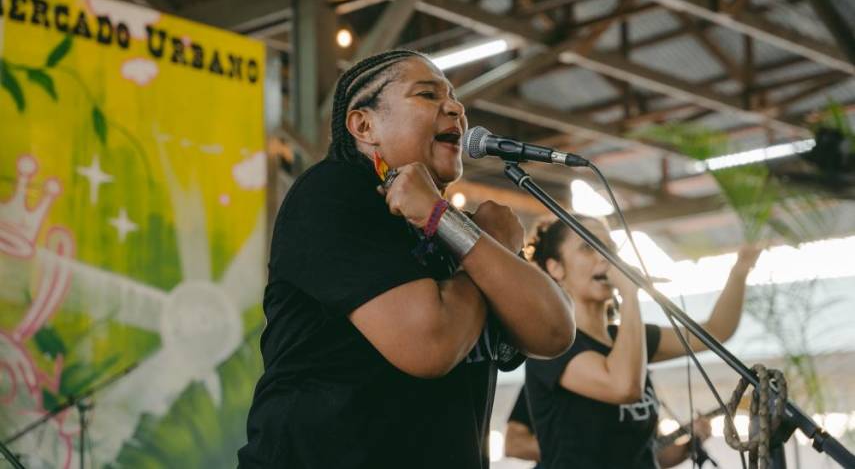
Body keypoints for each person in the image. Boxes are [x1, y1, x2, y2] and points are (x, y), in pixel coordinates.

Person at [237, 49, 575, 468]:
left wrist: (460, 231)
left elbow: (555, 332)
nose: (455, 107)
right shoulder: (333, 192)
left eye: (454, 98)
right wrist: (482, 245)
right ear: (365, 125)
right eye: (428, 95)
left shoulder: (463, 234)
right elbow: (430, 345)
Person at [524, 217, 760, 468]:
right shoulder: (552, 346)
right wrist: (629, 294)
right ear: (556, 268)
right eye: (588, 247)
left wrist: (740, 269)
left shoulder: (631, 338)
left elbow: (716, 331)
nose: (606, 257)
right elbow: (624, 387)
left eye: (610, 248)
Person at [504, 387, 713, 467]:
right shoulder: (550, 378)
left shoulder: (639, 384)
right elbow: (514, 444)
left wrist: (691, 444)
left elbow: (653, 455)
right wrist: (590, 453)